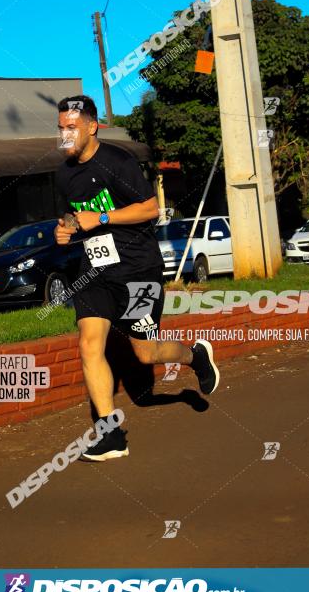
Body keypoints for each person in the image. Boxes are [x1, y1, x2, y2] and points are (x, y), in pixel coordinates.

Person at [54, 95, 220, 462]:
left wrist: (102, 218)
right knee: (88, 343)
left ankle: (195, 356)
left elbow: (150, 209)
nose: (65, 135)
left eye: (72, 128)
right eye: (61, 127)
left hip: (137, 270)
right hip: (95, 271)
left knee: (145, 353)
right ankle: (110, 435)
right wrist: (63, 229)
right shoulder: (64, 173)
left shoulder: (117, 162)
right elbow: (69, 215)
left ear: (92, 127)